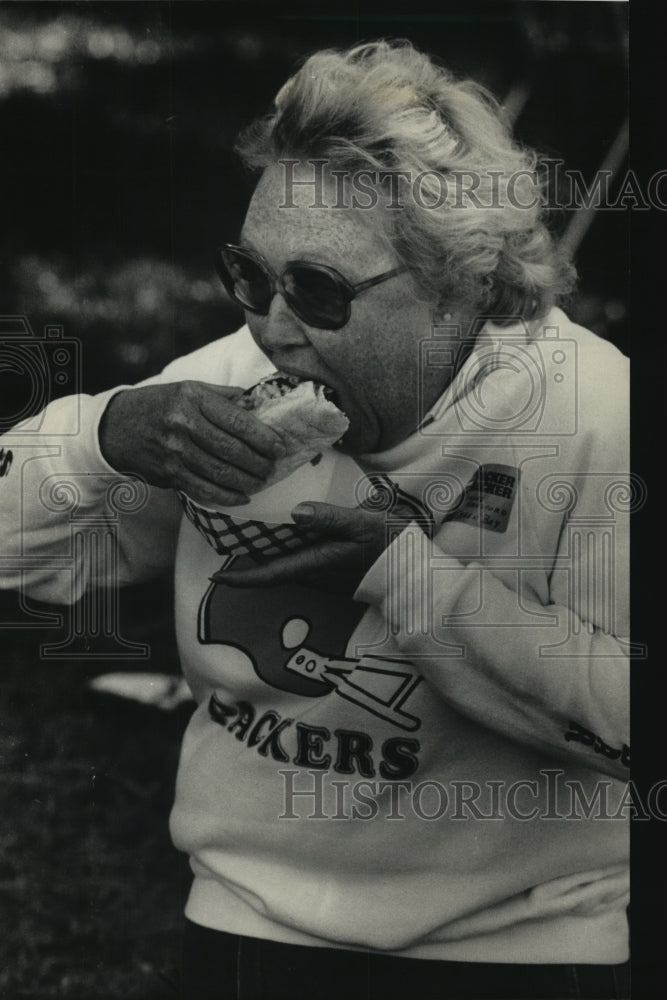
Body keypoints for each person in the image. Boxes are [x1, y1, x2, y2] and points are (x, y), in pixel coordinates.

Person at [0, 40, 630, 1000]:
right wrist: (102, 437)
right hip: (251, 917)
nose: (271, 328)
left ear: (458, 287)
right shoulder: (224, 385)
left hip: (526, 942)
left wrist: (404, 574)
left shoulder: (597, 421)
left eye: (320, 291)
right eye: (250, 277)